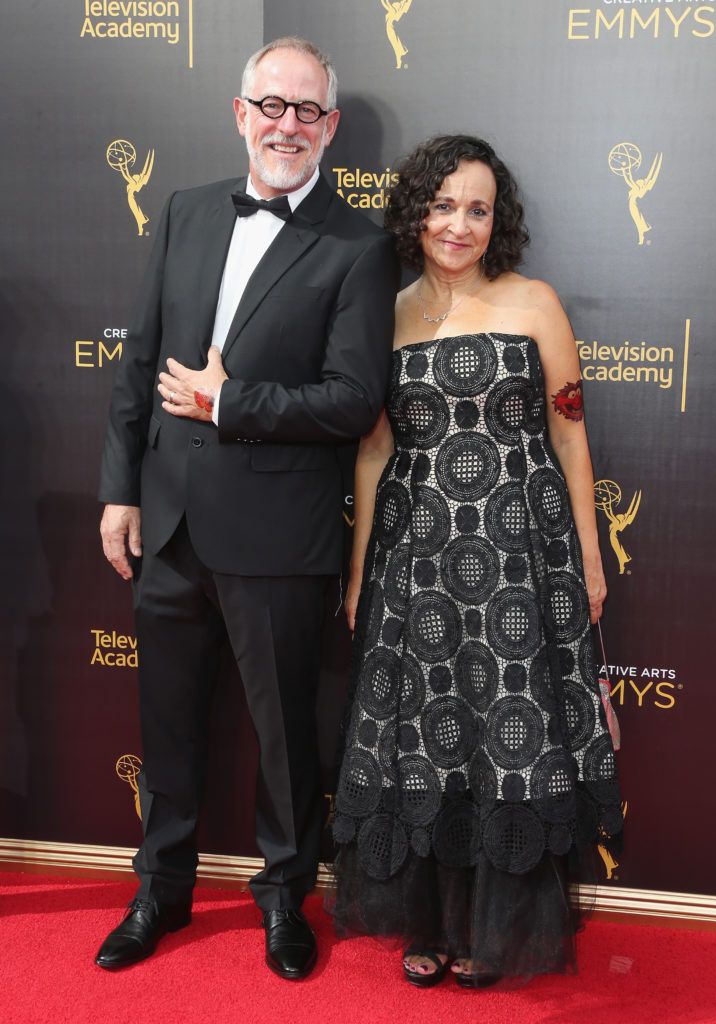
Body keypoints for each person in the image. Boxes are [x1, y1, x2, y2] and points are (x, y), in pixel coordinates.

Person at [95, 37, 399, 979]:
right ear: (241, 113)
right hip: (170, 519)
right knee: (168, 725)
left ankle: (283, 898)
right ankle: (161, 890)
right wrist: (117, 488)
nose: (287, 125)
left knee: (283, 742)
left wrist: (231, 403)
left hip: (279, 537)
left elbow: (353, 401)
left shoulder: (358, 245)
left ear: (331, 129)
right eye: (272, 105)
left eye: (307, 111)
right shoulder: (185, 212)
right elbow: (138, 363)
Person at [331, 135, 622, 987]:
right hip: (417, 557)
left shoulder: (534, 303)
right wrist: (358, 576)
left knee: (509, 729)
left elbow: (569, 436)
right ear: (414, 210)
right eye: (442, 203)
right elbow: (370, 456)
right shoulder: (381, 315)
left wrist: (589, 558)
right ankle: (431, 917)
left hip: (519, 560)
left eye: (477, 208)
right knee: (429, 731)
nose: (457, 224)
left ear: (498, 222)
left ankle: (494, 928)